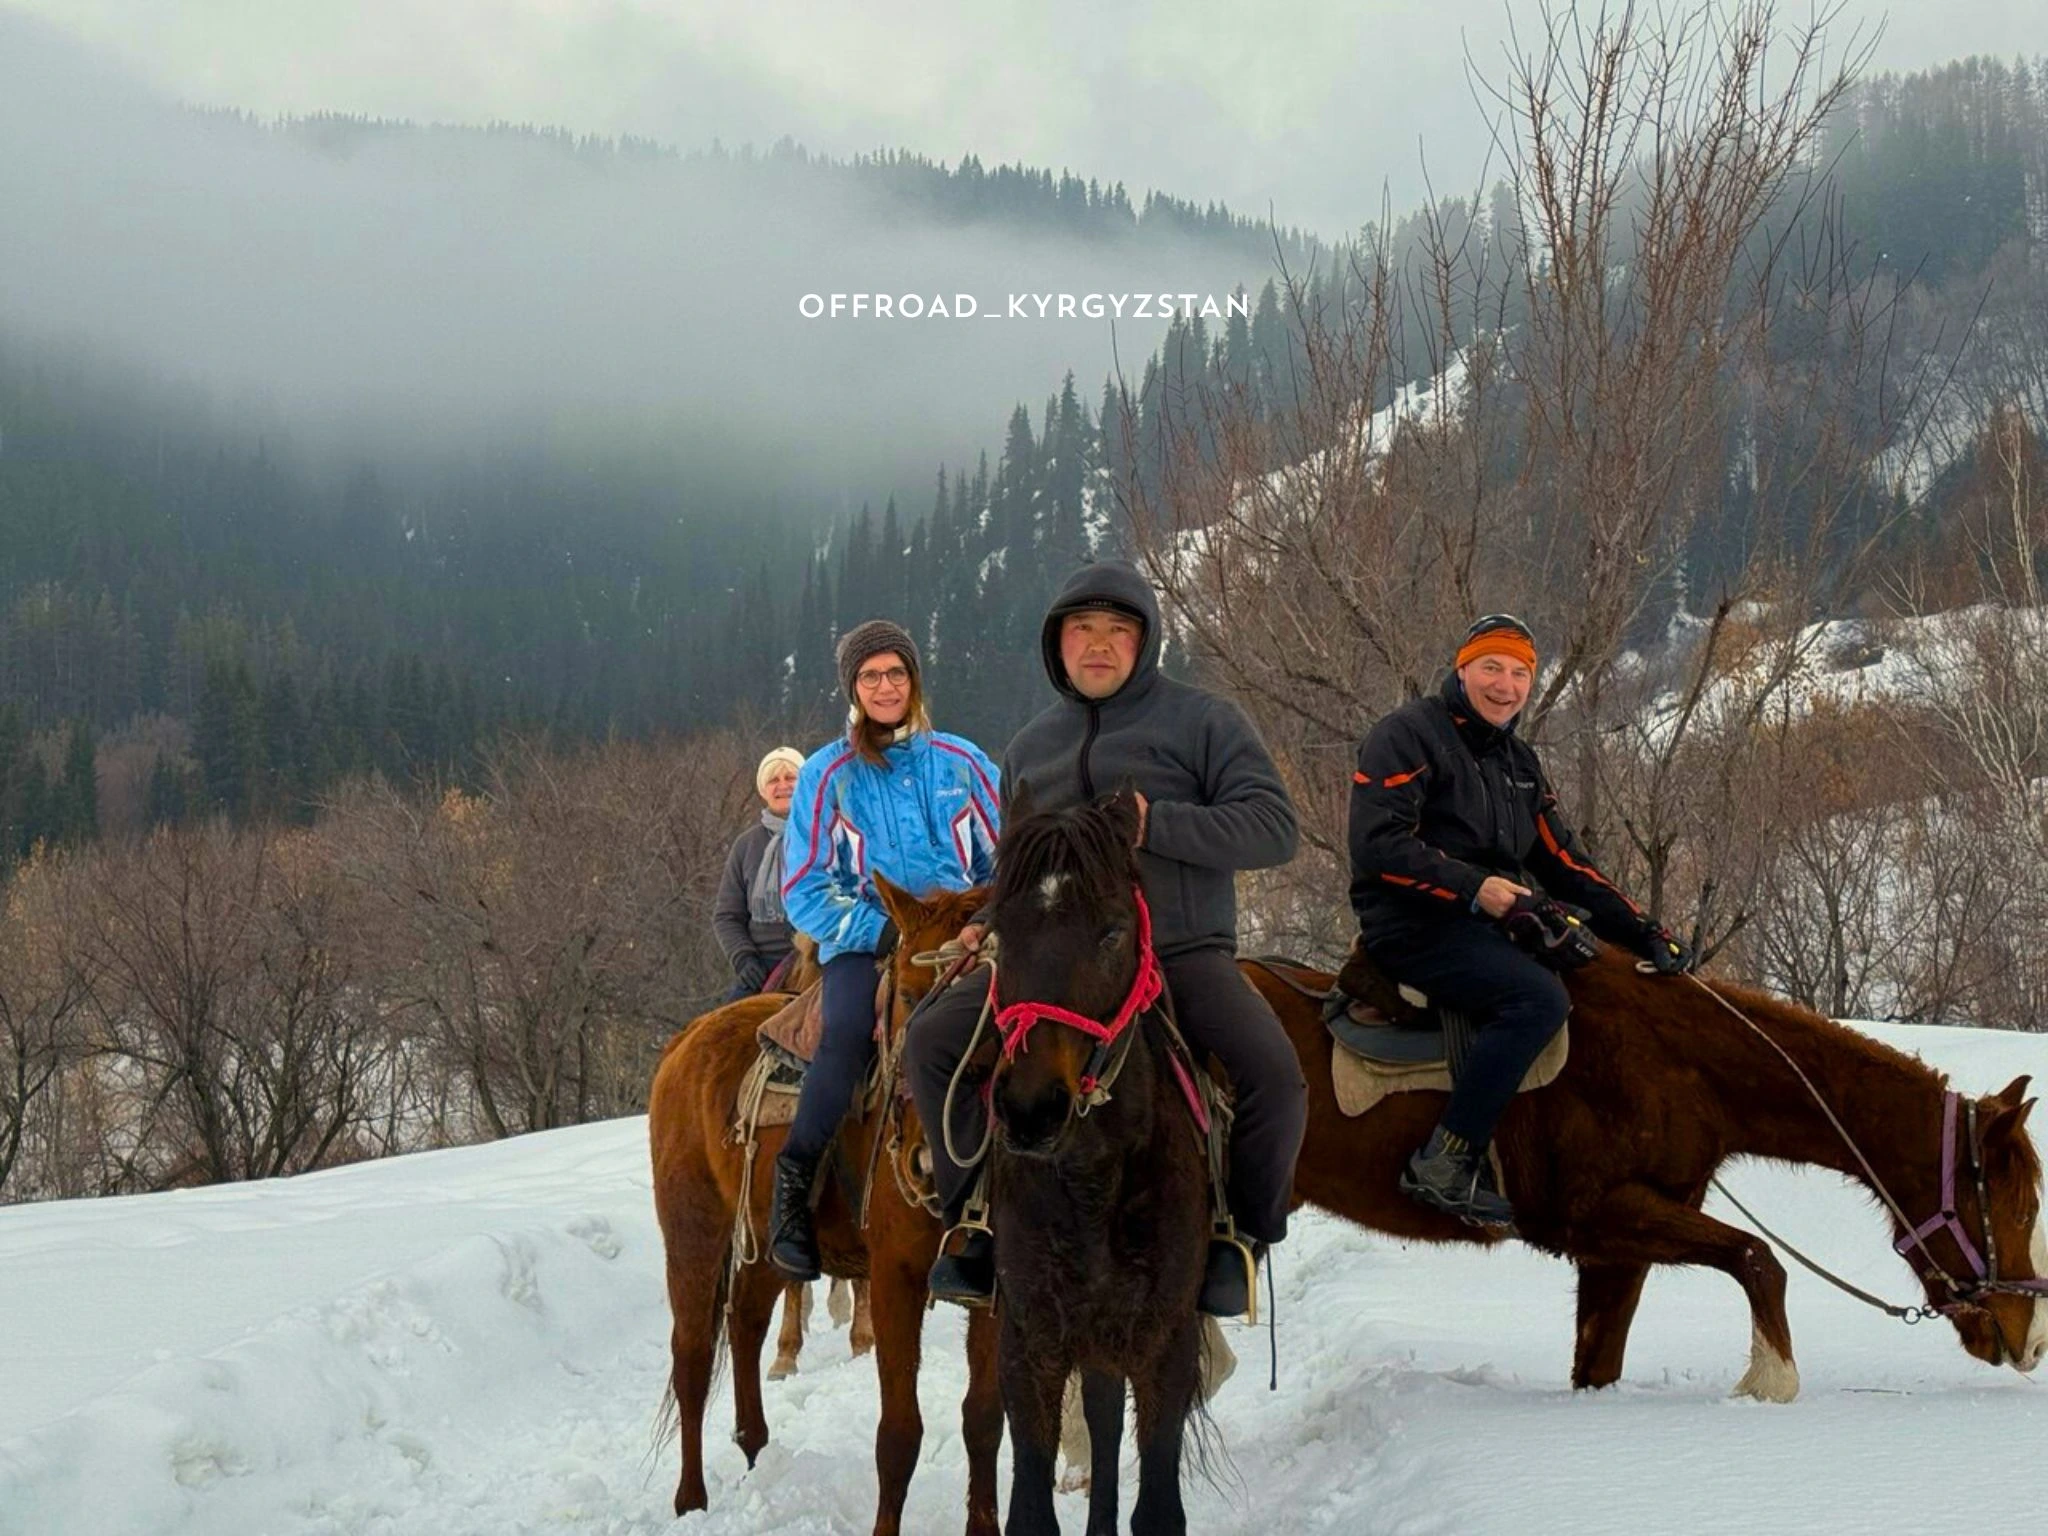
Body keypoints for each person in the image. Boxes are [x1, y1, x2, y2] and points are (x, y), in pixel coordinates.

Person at [904, 560, 1308, 1318]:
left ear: (1144, 641)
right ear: (1056, 645)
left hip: (1180, 950)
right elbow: (1022, 874)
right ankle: (974, 1221)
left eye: (1118, 630)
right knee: (928, 1041)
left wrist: (1160, 823)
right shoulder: (1028, 748)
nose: (1099, 645)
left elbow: (1274, 829)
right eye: (1082, 630)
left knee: (1274, 1077)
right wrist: (984, 923)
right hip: (1052, 969)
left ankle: (1241, 1236)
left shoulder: (1204, 722)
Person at [1348, 614, 1693, 1228]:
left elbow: (1564, 863)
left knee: (1594, 979)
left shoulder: (1520, 764)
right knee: (1538, 1000)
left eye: (1519, 673)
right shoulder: (1406, 736)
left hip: (1490, 921)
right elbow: (1379, 845)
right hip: (1411, 921)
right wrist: (1480, 889)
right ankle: (1447, 1160)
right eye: (1491, 668)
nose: (1505, 685)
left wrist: (1642, 928)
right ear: (1463, 669)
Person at [767, 619, 1002, 1282]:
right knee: (843, 1034)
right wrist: (883, 934)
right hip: (866, 942)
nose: (885, 686)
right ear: (853, 689)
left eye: (896, 673)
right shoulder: (826, 775)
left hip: (967, 940)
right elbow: (804, 887)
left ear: (914, 680)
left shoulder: (963, 762)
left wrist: (982, 922)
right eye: (871, 676)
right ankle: (794, 1184)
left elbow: (1009, 855)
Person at [713, 746, 804, 1001]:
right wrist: (744, 959)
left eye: (790, 777)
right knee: (725, 1031)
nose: (782, 785)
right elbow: (727, 915)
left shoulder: (825, 834)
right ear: (763, 791)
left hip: (819, 958)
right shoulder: (746, 846)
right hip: (764, 966)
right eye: (773, 780)